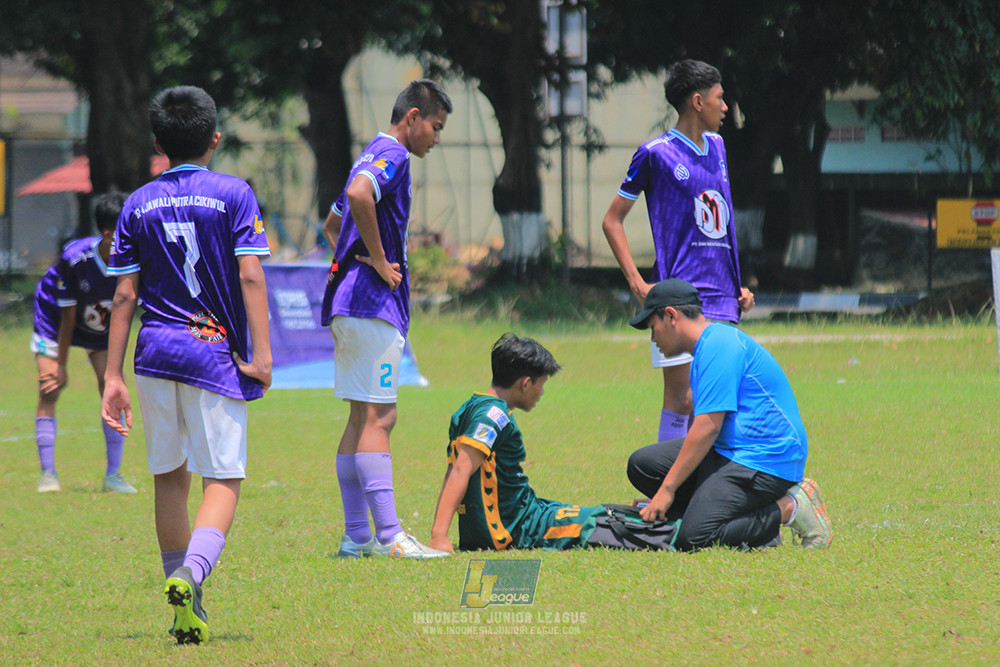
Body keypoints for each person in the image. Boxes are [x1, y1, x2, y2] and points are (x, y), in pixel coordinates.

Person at [101, 85, 272, 644]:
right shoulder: (235, 193)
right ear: (215, 139)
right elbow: (250, 275)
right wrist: (263, 355)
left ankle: (184, 606)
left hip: (153, 354)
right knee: (222, 478)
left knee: (169, 479)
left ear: (158, 144)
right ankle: (190, 574)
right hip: (212, 352)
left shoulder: (135, 204)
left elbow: (124, 296)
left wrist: (111, 375)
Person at [320, 80, 452, 560]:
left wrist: (355, 255)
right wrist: (376, 259)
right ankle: (390, 537)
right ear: (412, 117)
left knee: (359, 417)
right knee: (381, 415)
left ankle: (356, 536)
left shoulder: (369, 152)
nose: (437, 139)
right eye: (435, 128)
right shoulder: (392, 154)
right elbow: (358, 196)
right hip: (370, 304)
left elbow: (333, 221)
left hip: (347, 303)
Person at [602, 59, 755, 444]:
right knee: (682, 396)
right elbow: (612, 221)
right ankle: (660, 488)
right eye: (720, 99)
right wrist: (638, 284)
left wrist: (739, 283)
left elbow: (722, 221)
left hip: (722, 299)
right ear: (698, 102)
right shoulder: (655, 153)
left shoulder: (719, 147)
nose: (726, 107)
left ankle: (704, 491)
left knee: (718, 399)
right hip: (679, 298)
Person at [626, 278, 833, 551]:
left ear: (671, 316)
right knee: (642, 465)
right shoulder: (706, 346)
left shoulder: (719, 345)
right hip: (731, 451)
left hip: (765, 458)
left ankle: (791, 506)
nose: (653, 339)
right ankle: (739, 522)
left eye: (653, 328)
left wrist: (667, 491)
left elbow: (707, 427)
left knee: (694, 537)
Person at [428, 333, 680, 553]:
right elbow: (461, 468)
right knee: (599, 522)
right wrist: (439, 536)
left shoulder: (471, 406)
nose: (542, 392)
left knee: (596, 511)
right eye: (541, 384)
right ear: (525, 383)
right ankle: (686, 532)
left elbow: (454, 469)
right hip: (518, 527)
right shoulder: (494, 416)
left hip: (520, 514)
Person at [30, 192, 137, 494]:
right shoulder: (75, 258)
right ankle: (47, 474)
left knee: (112, 387)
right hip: (56, 316)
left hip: (97, 322)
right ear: (108, 234)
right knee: (49, 385)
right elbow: (67, 315)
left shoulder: (135, 259)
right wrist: (61, 365)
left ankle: (113, 475)